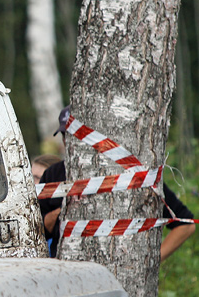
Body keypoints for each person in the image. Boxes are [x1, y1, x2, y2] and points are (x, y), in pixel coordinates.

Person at [39, 106, 195, 260]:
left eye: (76, 135)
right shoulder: (53, 174)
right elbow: (36, 230)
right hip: (65, 270)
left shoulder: (129, 173)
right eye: (65, 136)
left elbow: (185, 224)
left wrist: (153, 260)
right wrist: (61, 211)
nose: (70, 142)